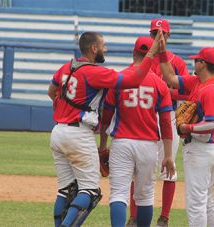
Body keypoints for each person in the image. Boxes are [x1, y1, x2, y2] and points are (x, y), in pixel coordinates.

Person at [47, 31, 162, 227]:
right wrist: (151, 54)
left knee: (65, 190)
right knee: (90, 191)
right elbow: (133, 81)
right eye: (103, 45)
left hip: (58, 131)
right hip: (78, 133)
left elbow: (51, 92)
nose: (105, 49)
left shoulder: (66, 67)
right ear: (94, 49)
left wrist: (64, 111)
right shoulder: (96, 72)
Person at [98, 36, 175, 227]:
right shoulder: (160, 84)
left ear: (133, 53)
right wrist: (167, 154)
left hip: (122, 142)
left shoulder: (120, 78)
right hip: (149, 145)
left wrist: (102, 144)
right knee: (145, 195)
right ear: (154, 56)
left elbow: (106, 116)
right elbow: (166, 122)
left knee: (118, 193)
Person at [158, 37, 214, 227]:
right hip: (209, 149)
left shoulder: (211, 90)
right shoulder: (198, 82)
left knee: (196, 204)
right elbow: (170, 78)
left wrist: (185, 127)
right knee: (209, 202)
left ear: (202, 64)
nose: (193, 62)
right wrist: (162, 52)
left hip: (201, 151)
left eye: (196, 60)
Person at [127, 18, 190, 227]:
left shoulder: (177, 62)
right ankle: (134, 217)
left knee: (168, 170)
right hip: (142, 115)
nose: (158, 37)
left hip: (167, 115)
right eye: (155, 33)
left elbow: (186, 92)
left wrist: (164, 90)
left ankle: (164, 217)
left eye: (162, 33)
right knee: (138, 168)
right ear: (150, 34)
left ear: (169, 36)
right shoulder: (142, 58)